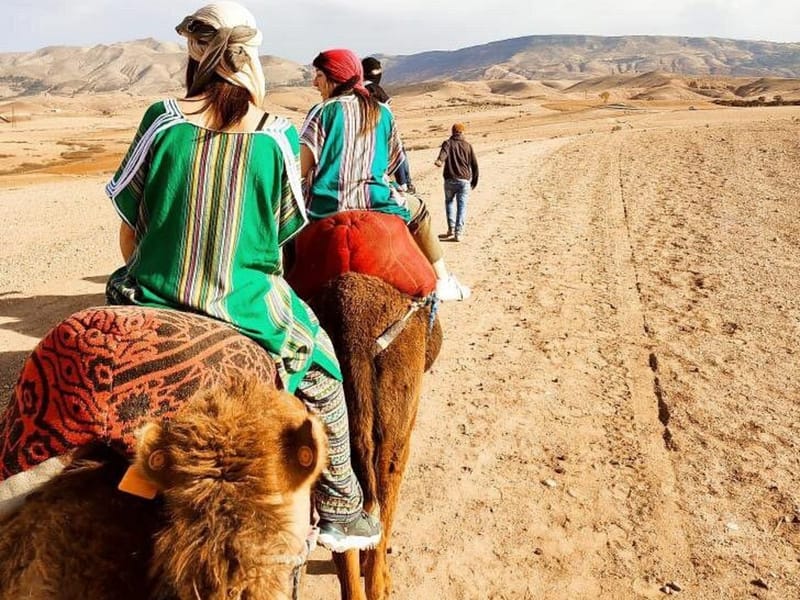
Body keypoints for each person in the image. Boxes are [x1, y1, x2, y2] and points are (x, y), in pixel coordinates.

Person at [104, 1, 379, 553]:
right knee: (324, 369)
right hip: (249, 309)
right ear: (250, 56)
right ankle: (346, 507)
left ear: (195, 57)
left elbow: (131, 227)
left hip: (154, 298)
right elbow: (277, 238)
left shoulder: (161, 119)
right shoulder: (276, 135)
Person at [301, 49, 470, 301]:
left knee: (282, 237)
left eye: (319, 75)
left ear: (335, 77)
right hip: (377, 201)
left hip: (324, 206)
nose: (315, 82)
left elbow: (300, 168)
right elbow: (393, 162)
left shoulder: (322, 111)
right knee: (420, 211)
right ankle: (443, 280)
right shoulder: (383, 112)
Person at [361, 56, 415, 194]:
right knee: (399, 149)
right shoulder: (376, 91)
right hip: (377, 137)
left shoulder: (358, 90)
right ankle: (405, 184)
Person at [435, 122, 479, 242]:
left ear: (452, 132)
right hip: (464, 180)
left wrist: (439, 161)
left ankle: (451, 228)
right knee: (462, 206)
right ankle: (458, 233)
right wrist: (474, 180)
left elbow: (443, 154)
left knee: (449, 202)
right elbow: (474, 165)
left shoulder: (448, 143)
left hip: (449, 179)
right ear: (462, 132)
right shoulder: (468, 146)